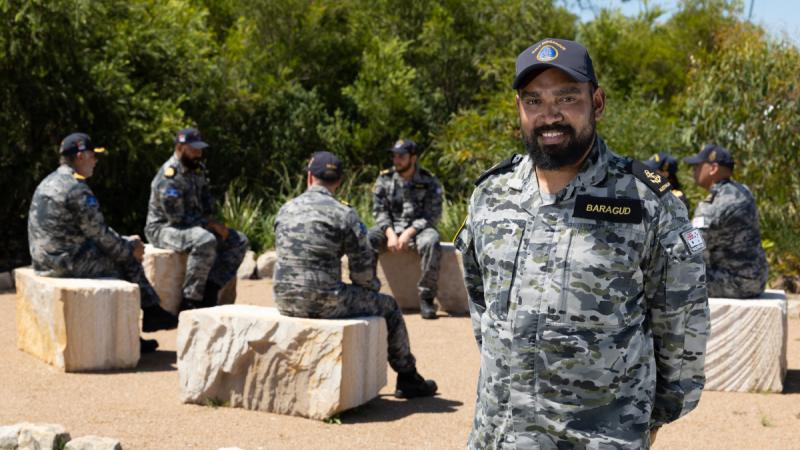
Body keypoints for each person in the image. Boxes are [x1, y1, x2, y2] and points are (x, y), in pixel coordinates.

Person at [454, 38, 709, 448]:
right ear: (519, 108)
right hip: (498, 435)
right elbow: (483, 307)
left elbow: (682, 323)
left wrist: (650, 417)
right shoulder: (491, 194)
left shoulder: (646, 201)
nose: (549, 115)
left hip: (599, 438)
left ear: (598, 103)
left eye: (567, 98)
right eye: (533, 101)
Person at [273, 151, 437, 398]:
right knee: (390, 307)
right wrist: (370, 290)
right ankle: (408, 376)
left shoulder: (285, 209)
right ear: (339, 181)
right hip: (326, 301)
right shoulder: (344, 214)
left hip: (284, 300)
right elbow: (362, 270)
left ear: (309, 177)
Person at [28, 132, 178, 353]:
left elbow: (93, 232)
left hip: (46, 259)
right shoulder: (75, 187)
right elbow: (99, 234)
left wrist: (125, 243)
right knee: (125, 262)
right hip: (65, 262)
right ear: (80, 156)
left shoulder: (51, 181)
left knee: (123, 249)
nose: (95, 161)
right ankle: (141, 324)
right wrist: (129, 249)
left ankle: (150, 313)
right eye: (92, 155)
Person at [145, 127, 248, 310]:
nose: (198, 154)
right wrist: (210, 225)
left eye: (200, 149)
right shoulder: (170, 176)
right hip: (163, 228)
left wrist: (215, 224)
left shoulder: (197, 171)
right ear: (180, 148)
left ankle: (210, 290)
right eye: (194, 149)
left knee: (238, 240)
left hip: (192, 226)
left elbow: (207, 206)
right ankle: (190, 300)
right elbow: (176, 217)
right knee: (204, 240)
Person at [368, 139, 443, 319]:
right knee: (368, 238)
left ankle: (426, 298)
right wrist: (390, 233)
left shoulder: (428, 180)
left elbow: (433, 215)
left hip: (419, 230)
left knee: (431, 241)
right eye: (394, 156)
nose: (397, 160)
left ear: (413, 158)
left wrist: (409, 232)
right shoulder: (384, 179)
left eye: (401, 156)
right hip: (390, 228)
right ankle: (368, 293)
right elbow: (379, 211)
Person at [683, 144, 768, 298]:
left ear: (713, 168)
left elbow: (692, 248)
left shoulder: (712, 204)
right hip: (756, 279)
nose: (694, 171)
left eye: (697, 166)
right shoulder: (742, 191)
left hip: (734, 282)